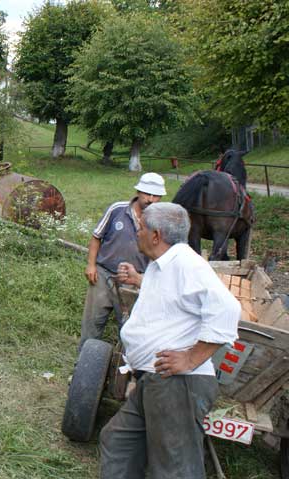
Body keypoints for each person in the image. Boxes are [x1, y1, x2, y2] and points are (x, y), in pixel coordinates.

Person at [100, 202, 241, 479]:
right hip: (153, 380)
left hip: (176, 385)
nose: (136, 233)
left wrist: (190, 358)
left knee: (174, 468)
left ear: (156, 235)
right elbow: (169, 297)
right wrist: (138, 278)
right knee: (117, 441)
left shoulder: (186, 263)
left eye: (140, 228)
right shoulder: (162, 264)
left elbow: (227, 308)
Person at [77, 172, 166, 352]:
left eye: (156, 196)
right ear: (138, 191)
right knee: (92, 323)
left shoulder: (160, 220)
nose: (151, 199)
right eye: (147, 194)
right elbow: (96, 237)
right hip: (103, 275)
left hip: (134, 281)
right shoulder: (117, 209)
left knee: (129, 328)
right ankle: (84, 362)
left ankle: (124, 368)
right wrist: (91, 265)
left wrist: (145, 280)